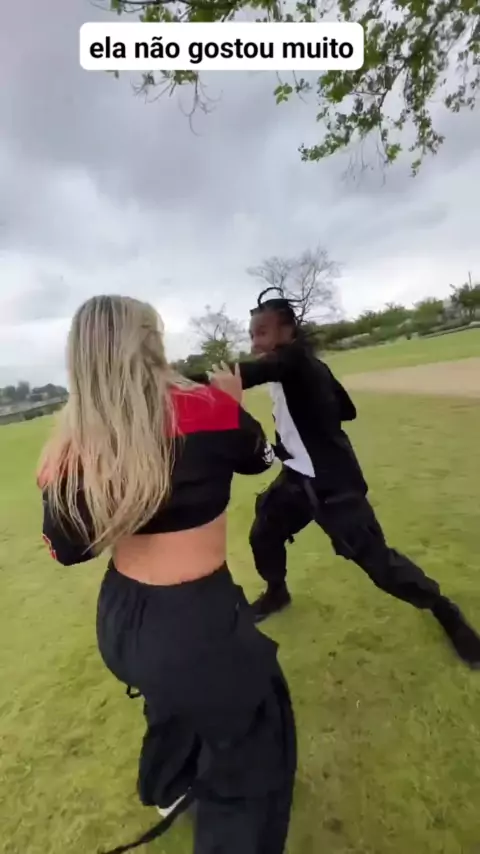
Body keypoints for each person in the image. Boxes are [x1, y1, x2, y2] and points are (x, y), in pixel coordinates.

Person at [37, 295, 297, 854]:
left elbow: (66, 552)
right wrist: (231, 403)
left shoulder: (78, 446)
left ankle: (167, 786)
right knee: (253, 750)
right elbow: (261, 460)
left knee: (170, 703)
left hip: (122, 621)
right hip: (195, 621)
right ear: (149, 342)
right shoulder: (205, 408)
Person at [204, 287, 480, 669]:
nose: (255, 343)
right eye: (252, 334)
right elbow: (347, 409)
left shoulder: (292, 362)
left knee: (381, 565)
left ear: (288, 331)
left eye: (262, 333)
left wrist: (168, 381)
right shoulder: (306, 368)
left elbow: (248, 374)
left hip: (334, 485)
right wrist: (309, 422)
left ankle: (445, 611)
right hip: (297, 478)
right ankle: (277, 592)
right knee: (264, 532)